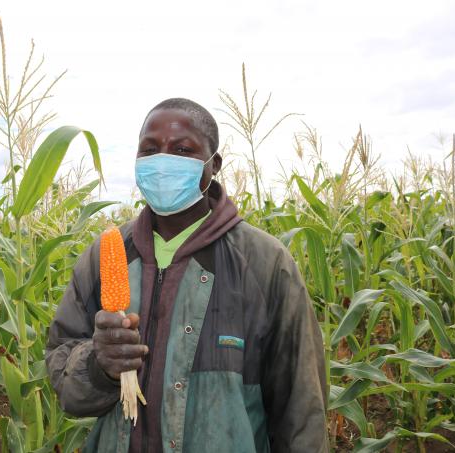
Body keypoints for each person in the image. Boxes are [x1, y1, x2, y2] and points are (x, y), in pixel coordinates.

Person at [45, 98, 327, 452]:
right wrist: (99, 366)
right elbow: (62, 368)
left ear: (214, 164)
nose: (163, 161)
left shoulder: (264, 263)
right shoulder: (104, 255)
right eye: (149, 150)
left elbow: (300, 406)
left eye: (182, 149)